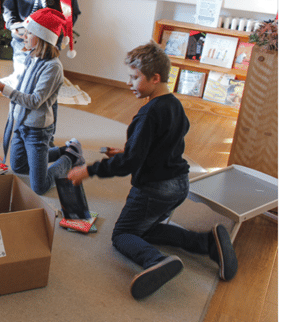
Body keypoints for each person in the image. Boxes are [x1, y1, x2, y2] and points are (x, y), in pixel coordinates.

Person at [67, 41, 238, 300]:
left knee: (123, 234)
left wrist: (88, 170)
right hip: (179, 184)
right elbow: (162, 146)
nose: (130, 83)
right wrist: (129, 150)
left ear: (155, 78)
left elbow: (130, 165)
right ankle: (206, 243)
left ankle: (155, 261)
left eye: (135, 77)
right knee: (145, 229)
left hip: (155, 190)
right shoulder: (175, 106)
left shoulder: (147, 114)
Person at [0, 8, 85, 195]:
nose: (24, 36)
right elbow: (19, 85)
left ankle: (71, 156)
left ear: (43, 37)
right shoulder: (32, 57)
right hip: (21, 124)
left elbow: (35, 101)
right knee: (20, 167)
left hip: (37, 131)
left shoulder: (53, 68)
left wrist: (3, 89)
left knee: (40, 186)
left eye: (29, 32)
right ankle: (65, 149)